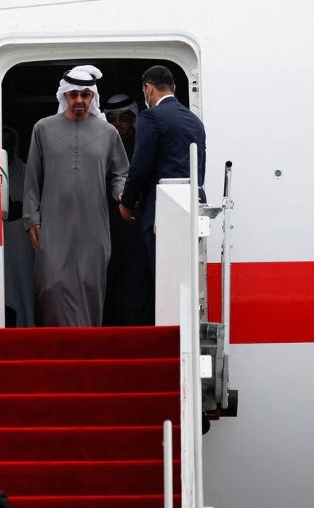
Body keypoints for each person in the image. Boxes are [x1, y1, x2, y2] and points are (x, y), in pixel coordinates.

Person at [23, 65, 129, 327]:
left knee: (89, 286)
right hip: (52, 225)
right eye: (74, 95)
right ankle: (55, 355)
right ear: (64, 96)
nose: (80, 100)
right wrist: (31, 218)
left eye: (85, 95)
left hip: (93, 226)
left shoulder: (108, 133)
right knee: (52, 285)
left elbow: (120, 174)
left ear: (93, 97)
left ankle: (86, 352)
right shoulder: (43, 129)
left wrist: (122, 194)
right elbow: (32, 178)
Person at [119, 65, 207, 272]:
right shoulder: (194, 120)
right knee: (186, 278)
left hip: (163, 213)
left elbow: (140, 166)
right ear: (174, 87)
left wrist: (127, 201)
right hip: (193, 208)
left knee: (165, 278)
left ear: (148, 89)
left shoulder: (151, 117)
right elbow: (200, 168)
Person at [102, 94, 154, 326]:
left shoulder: (143, 144)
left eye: (123, 117)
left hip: (136, 220)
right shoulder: (102, 145)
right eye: (112, 118)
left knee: (137, 275)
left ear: (133, 118)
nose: (118, 124)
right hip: (108, 222)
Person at [1, 126, 34, 327]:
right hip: (1, 241)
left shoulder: (27, 171)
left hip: (21, 241)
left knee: (24, 288)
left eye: (10, 142)